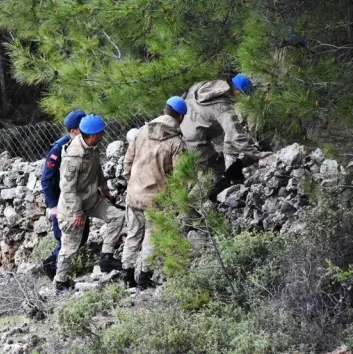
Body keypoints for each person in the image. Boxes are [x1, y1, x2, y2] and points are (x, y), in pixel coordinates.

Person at [121, 97, 187, 290]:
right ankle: (144, 278)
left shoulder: (141, 132)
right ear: (181, 117)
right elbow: (181, 178)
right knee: (151, 236)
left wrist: (131, 183)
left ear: (164, 111)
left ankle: (126, 274)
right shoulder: (176, 143)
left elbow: (127, 162)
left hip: (133, 195)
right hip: (157, 199)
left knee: (133, 234)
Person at [54, 114, 124, 292]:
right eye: (100, 133)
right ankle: (60, 282)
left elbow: (97, 167)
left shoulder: (92, 147)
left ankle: (106, 257)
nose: (103, 135)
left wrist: (104, 188)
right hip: (72, 208)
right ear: (92, 135)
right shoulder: (73, 157)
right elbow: (68, 188)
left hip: (92, 199)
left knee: (117, 216)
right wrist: (77, 212)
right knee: (70, 247)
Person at [180, 73, 272, 174]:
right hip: (194, 141)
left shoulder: (210, 86)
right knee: (212, 176)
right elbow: (235, 137)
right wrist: (259, 155)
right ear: (237, 92)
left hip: (181, 126)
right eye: (244, 96)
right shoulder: (223, 108)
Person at [40, 109, 90, 280]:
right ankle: (53, 269)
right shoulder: (59, 148)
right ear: (74, 131)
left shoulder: (85, 146)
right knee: (64, 238)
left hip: (77, 199)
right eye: (82, 129)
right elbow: (46, 179)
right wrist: (52, 205)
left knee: (82, 236)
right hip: (62, 201)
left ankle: (57, 269)